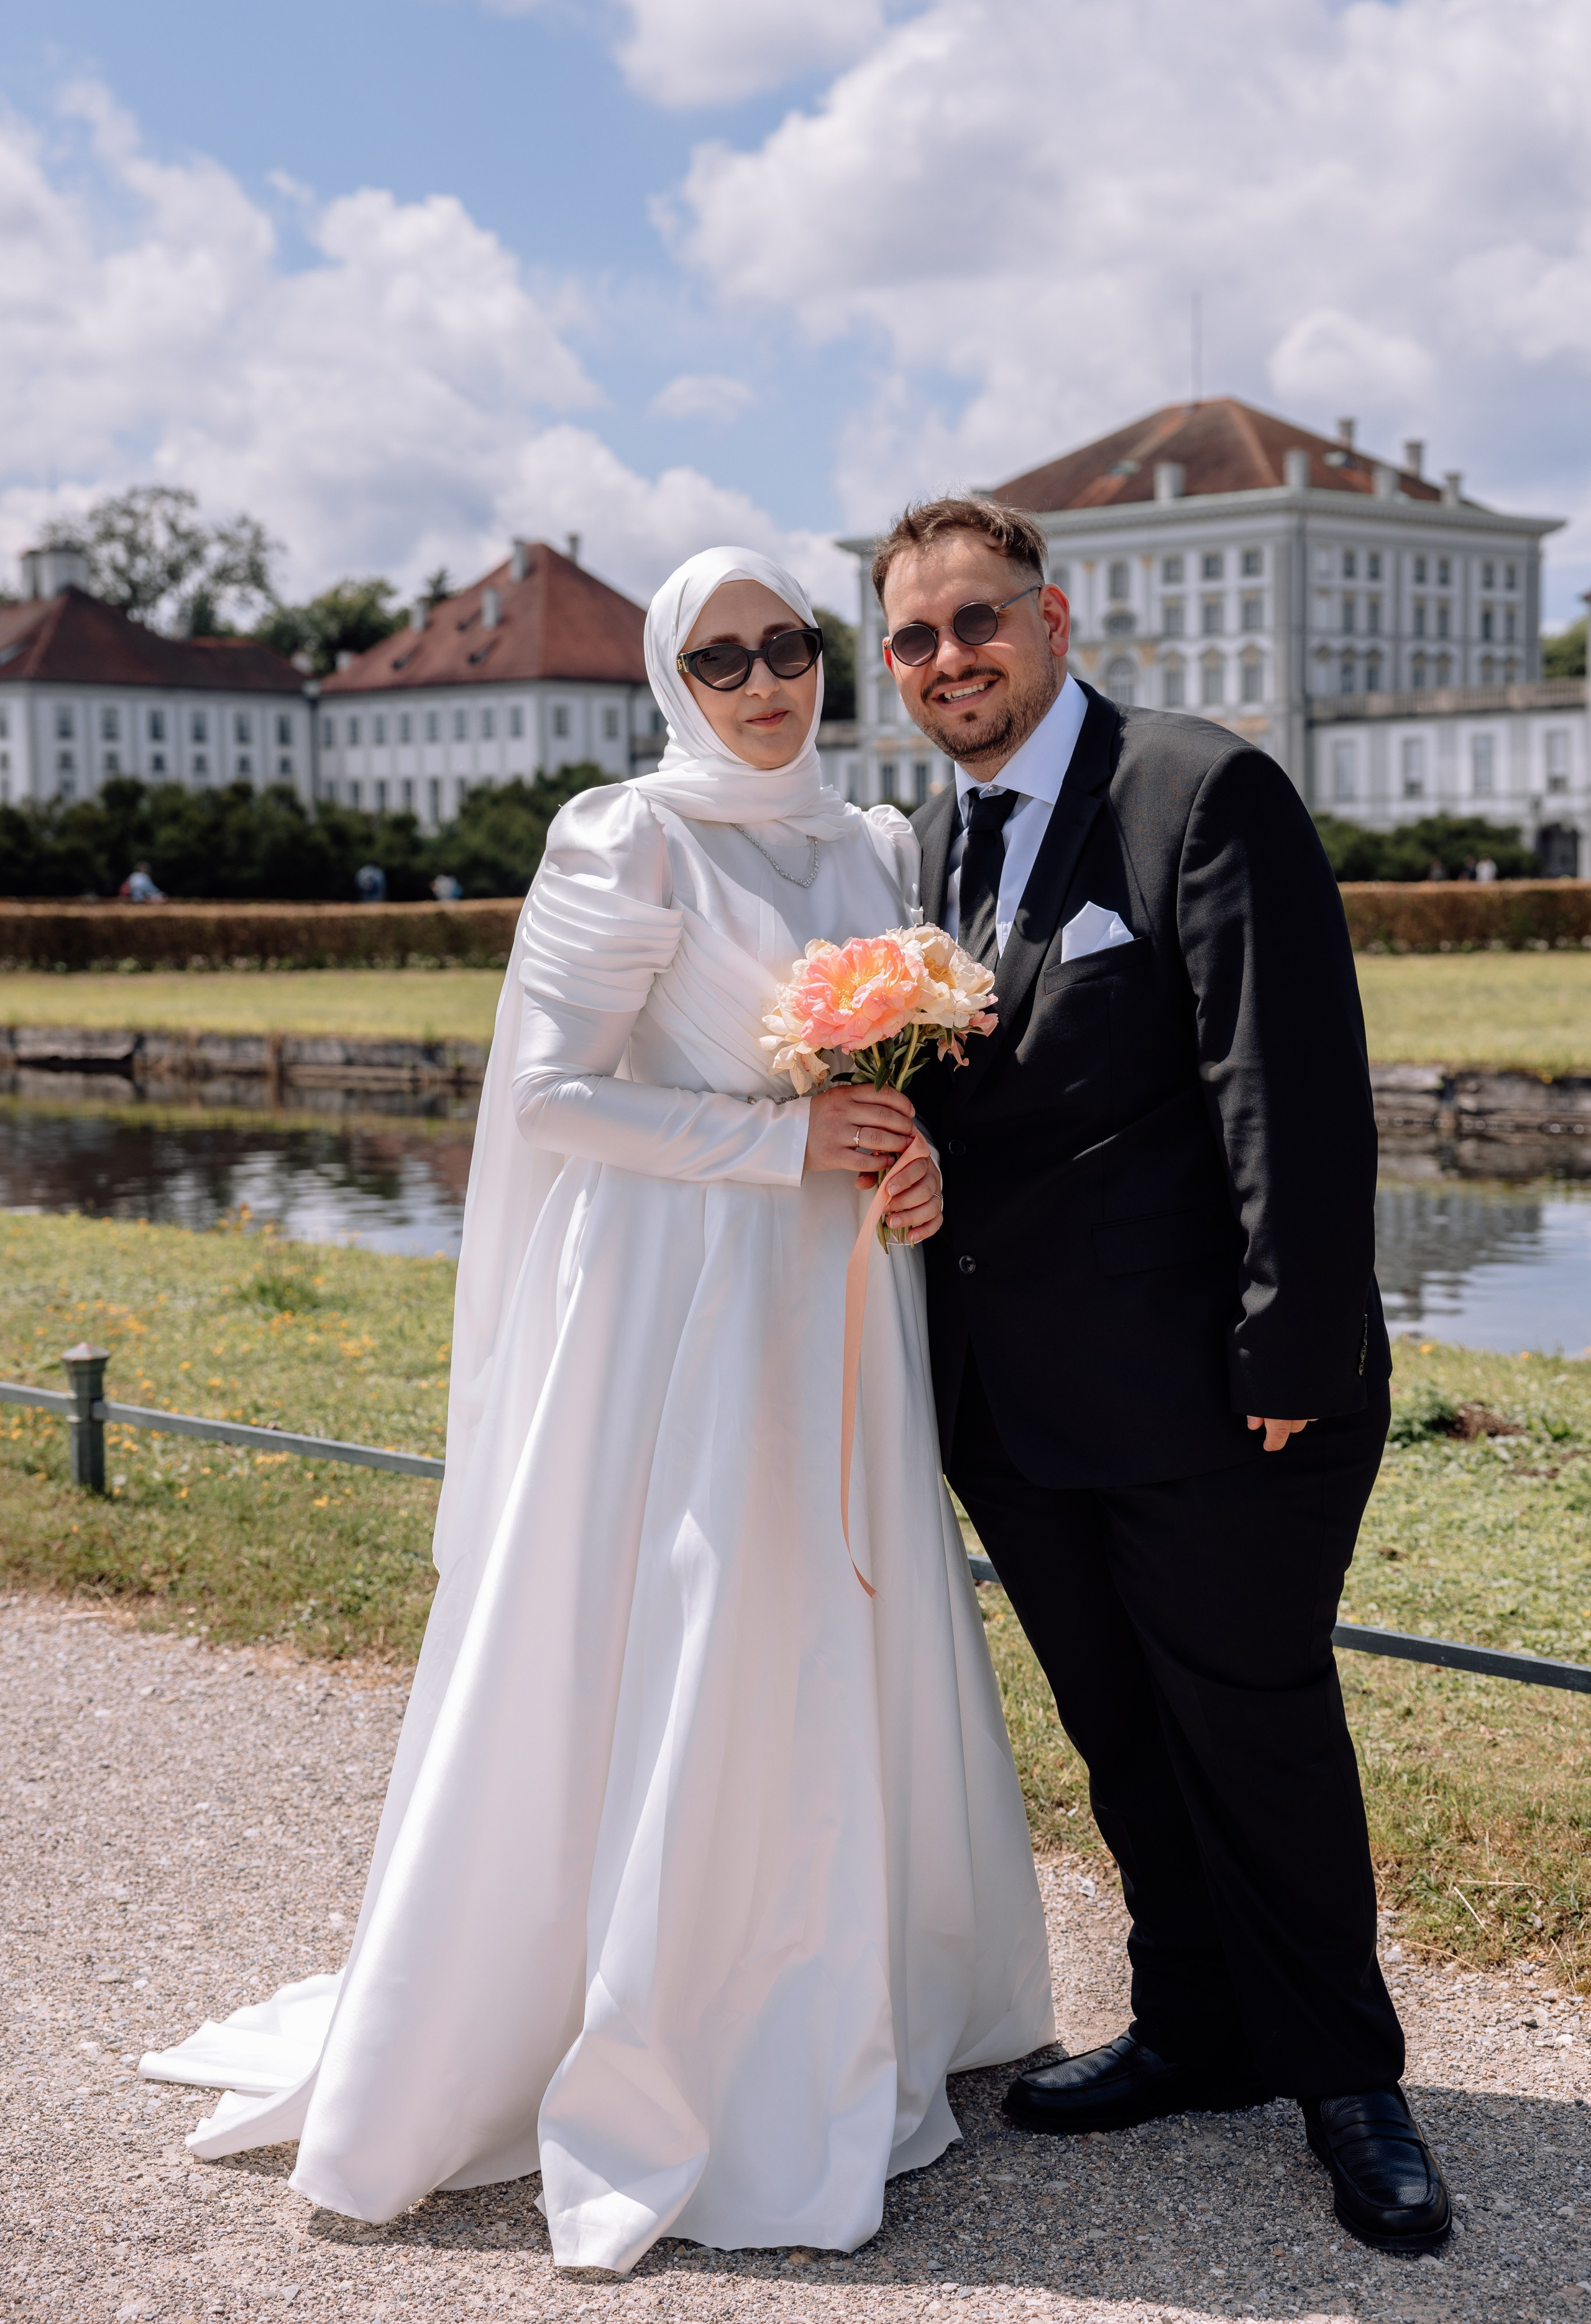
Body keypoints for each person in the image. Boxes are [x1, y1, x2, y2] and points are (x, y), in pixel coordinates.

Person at [140, 546, 1053, 2272]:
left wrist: (901, 1159)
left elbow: (892, 1082)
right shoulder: (621, 836)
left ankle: (854, 1986)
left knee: (828, 1613)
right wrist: (771, 1146)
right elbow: (553, 1097)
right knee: (699, 1623)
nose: (767, 680)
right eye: (722, 660)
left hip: (841, 1307)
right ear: (667, 679)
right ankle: (664, 2018)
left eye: (790, 645)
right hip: (680, 1317)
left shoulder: (873, 843)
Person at [876, 496, 1451, 2259]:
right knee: (1124, 1738)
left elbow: (1287, 1083)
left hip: (1222, 1397)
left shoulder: (1200, 792)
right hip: (1020, 1409)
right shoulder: (925, 852)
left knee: (1254, 1732)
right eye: (913, 638)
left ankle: (1352, 2082)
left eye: (976, 620)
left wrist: (1289, 1339)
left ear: (1052, 621)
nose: (949, 658)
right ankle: (1198, 2028)